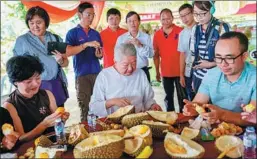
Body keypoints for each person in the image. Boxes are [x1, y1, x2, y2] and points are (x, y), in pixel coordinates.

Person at [183, 32, 256, 126]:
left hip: (248, 135)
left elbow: (252, 117)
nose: (223, 64)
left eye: (229, 58)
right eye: (218, 57)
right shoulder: (212, 74)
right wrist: (193, 109)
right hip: (216, 130)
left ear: (244, 56)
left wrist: (222, 115)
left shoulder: (254, 77)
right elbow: (198, 103)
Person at [2, 55, 70, 142]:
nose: (35, 84)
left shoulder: (47, 94)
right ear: (15, 82)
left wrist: (62, 120)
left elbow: (58, 125)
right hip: (31, 149)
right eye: (28, 81)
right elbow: (21, 138)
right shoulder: (10, 105)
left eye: (38, 78)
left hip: (53, 143)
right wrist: (43, 125)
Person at [13, 6, 69, 107]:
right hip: (35, 87)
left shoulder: (55, 38)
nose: (35, 26)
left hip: (55, 85)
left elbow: (66, 63)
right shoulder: (22, 41)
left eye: (39, 23)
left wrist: (61, 61)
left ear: (46, 22)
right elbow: (16, 68)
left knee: (59, 116)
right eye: (31, 23)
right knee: (41, 118)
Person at [89, 43, 162, 117]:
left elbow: (148, 99)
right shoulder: (104, 76)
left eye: (134, 63)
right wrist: (112, 102)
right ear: (115, 61)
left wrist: (152, 105)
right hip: (112, 123)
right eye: (125, 65)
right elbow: (94, 107)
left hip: (138, 120)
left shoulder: (140, 74)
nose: (130, 68)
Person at [65, 2, 103, 121]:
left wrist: (99, 55)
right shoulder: (72, 33)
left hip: (97, 73)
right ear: (79, 15)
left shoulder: (96, 34)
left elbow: (100, 54)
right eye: (88, 15)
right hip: (82, 75)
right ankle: (85, 135)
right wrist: (85, 45)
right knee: (85, 107)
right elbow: (68, 52)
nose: (91, 18)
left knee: (100, 105)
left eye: (93, 15)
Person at [190, 1, 230, 93]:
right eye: (196, 14)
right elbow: (193, 54)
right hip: (199, 77)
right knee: (199, 106)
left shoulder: (222, 27)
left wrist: (211, 64)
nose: (199, 17)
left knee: (215, 106)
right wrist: (194, 78)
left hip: (218, 77)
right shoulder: (195, 29)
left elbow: (230, 55)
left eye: (203, 13)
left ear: (211, 10)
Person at [153, 8, 185, 112]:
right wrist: (157, 72)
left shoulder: (180, 31)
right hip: (166, 72)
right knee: (168, 97)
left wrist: (182, 74)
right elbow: (156, 55)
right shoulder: (157, 34)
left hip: (180, 72)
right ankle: (170, 117)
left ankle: (183, 117)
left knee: (182, 97)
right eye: (163, 19)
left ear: (172, 18)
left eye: (168, 19)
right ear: (160, 20)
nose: (166, 21)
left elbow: (184, 53)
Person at [116, 11, 154, 82]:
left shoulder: (146, 37)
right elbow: (117, 57)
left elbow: (151, 55)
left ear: (139, 22)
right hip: (126, 71)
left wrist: (141, 45)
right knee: (128, 93)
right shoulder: (121, 39)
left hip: (142, 71)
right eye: (129, 21)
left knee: (145, 93)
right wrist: (124, 48)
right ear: (126, 23)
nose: (132, 23)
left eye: (134, 20)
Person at [178, 4, 197, 101]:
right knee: (192, 99)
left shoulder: (202, 29)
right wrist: (181, 74)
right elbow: (182, 54)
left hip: (203, 70)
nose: (184, 18)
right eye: (182, 16)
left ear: (193, 13)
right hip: (188, 71)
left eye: (186, 14)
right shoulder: (182, 34)